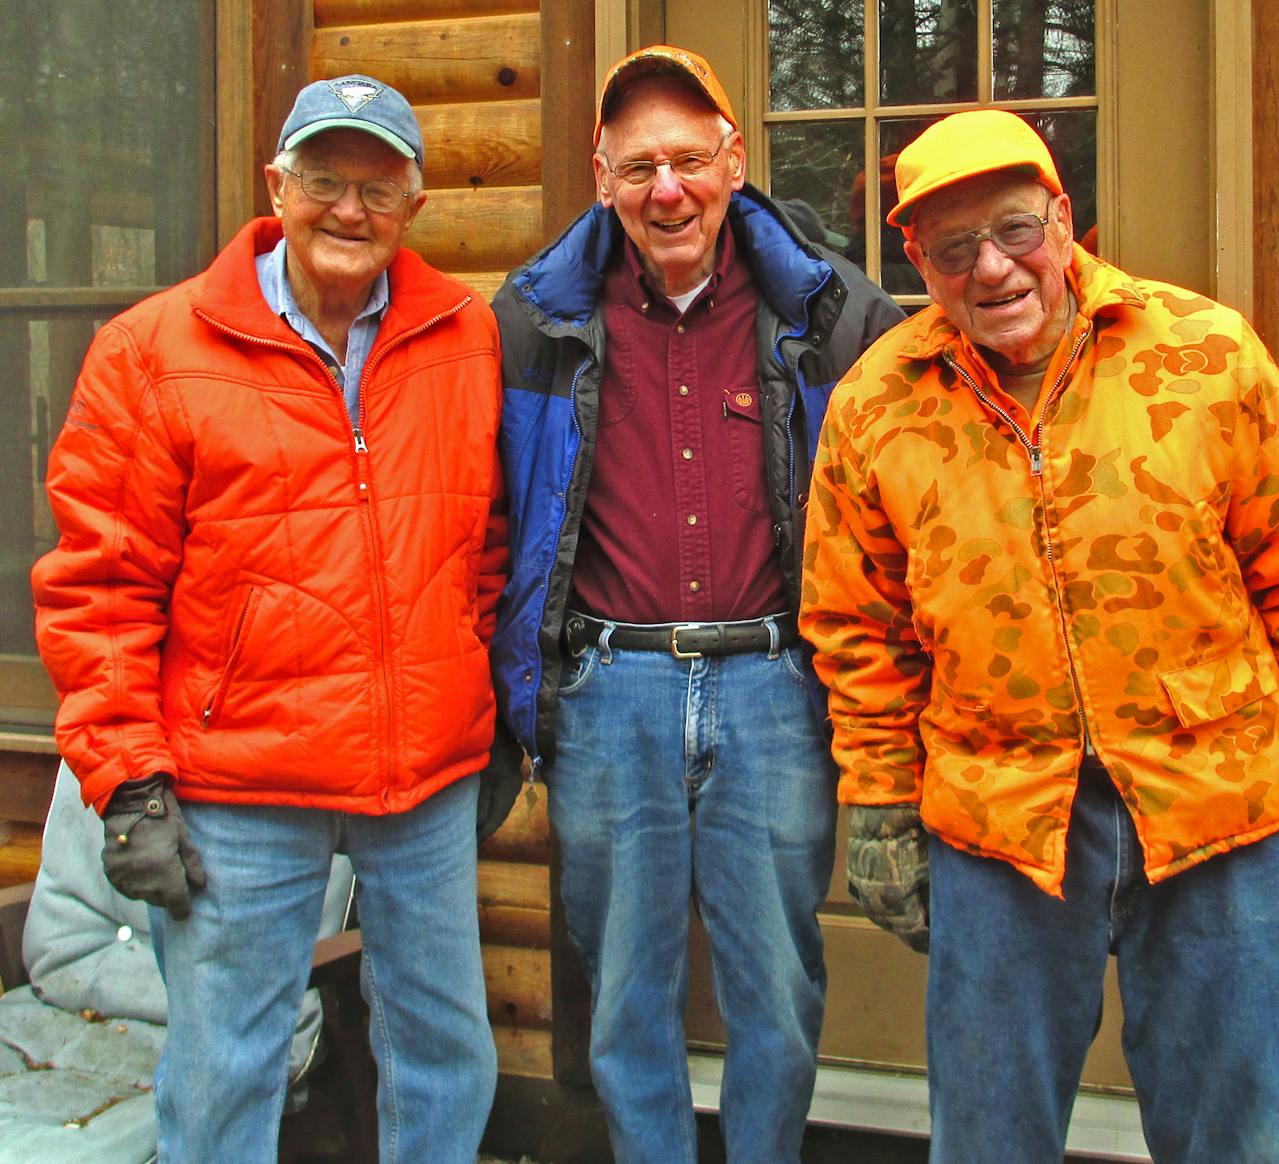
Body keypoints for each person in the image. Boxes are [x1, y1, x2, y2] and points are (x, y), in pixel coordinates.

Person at [800, 109, 1279, 1164]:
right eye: (950, 250)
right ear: (918, 264)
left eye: (1015, 229)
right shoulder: (875, 407)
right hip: (999, 824)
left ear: (1063, 217)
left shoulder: (1204, 356)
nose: (991, 268)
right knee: (986, 1140)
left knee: (1230, 1140)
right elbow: (858, 632)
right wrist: (880, 802)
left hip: (1220, 805)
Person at [32, 75, 510, 1162]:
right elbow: (99, 583)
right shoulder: (154, 350)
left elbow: (483, 544)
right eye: (325, 183)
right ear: (276, 187)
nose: (350, 211)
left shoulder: (464, 337)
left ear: (414, 208)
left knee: (446, 1050)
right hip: (236, 786)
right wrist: (126, 779)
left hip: (422, 784)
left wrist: (477, 697)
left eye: (377, 191)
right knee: (224, 1068)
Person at [490, 45, 903, 1164]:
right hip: (607, 687)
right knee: (623, 983)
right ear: (600, 176)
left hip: (773, 687)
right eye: (638, 168)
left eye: (685, 160)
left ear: (732, 160)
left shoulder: (827, 311)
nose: (664, 190)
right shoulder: (532, 321)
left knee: (776, 980)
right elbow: (493, 520)